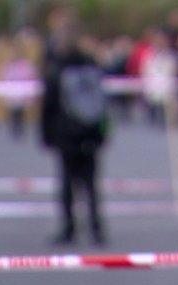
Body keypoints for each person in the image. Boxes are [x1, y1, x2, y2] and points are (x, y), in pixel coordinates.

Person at [40, 22, 109, 246]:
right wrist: (102, 134)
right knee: (90, 182)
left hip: (66, 134)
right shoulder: (92, 67)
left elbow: (49, 106)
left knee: (67, 182)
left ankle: (69, 228)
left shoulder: (57, 70)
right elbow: (102, 103)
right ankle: (96, 227)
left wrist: (47, 135)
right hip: (90, 132)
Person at [0, 44, 37, 140]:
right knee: (12, 111)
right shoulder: (7, 65)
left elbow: (30, 74)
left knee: (20, 112)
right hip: (11, 93)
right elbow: (2, 76)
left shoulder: (24, 65)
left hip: (21, 93)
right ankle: (13, 129)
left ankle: (20, 129)